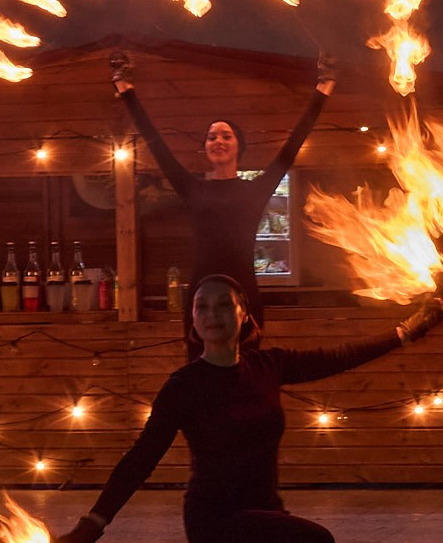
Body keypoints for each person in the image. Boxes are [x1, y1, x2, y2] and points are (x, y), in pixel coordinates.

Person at [46, 275, 443, 543]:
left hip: (267, 513)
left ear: (243, 316)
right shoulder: (184, 386)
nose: (212, 314)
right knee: (316, 541)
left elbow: (339, 357)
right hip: (215, 521)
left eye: (223, 305)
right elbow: (140, 459)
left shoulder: (268, 366)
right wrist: (88, 531)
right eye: (201, 306)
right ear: (193, 322)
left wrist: (405, 332)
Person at [115, 55, 333, 354]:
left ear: (238, 147)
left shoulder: (254, 190)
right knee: (201, 376)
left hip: (244, 295)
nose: (218, 140)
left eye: (226, 136)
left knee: (247, 374)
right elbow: (156, 143)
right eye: (211, 137)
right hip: (200, 297)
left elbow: (292, 146)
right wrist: (127, 91)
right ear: (205, 148)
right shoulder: (193, 188)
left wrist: (323, 89)